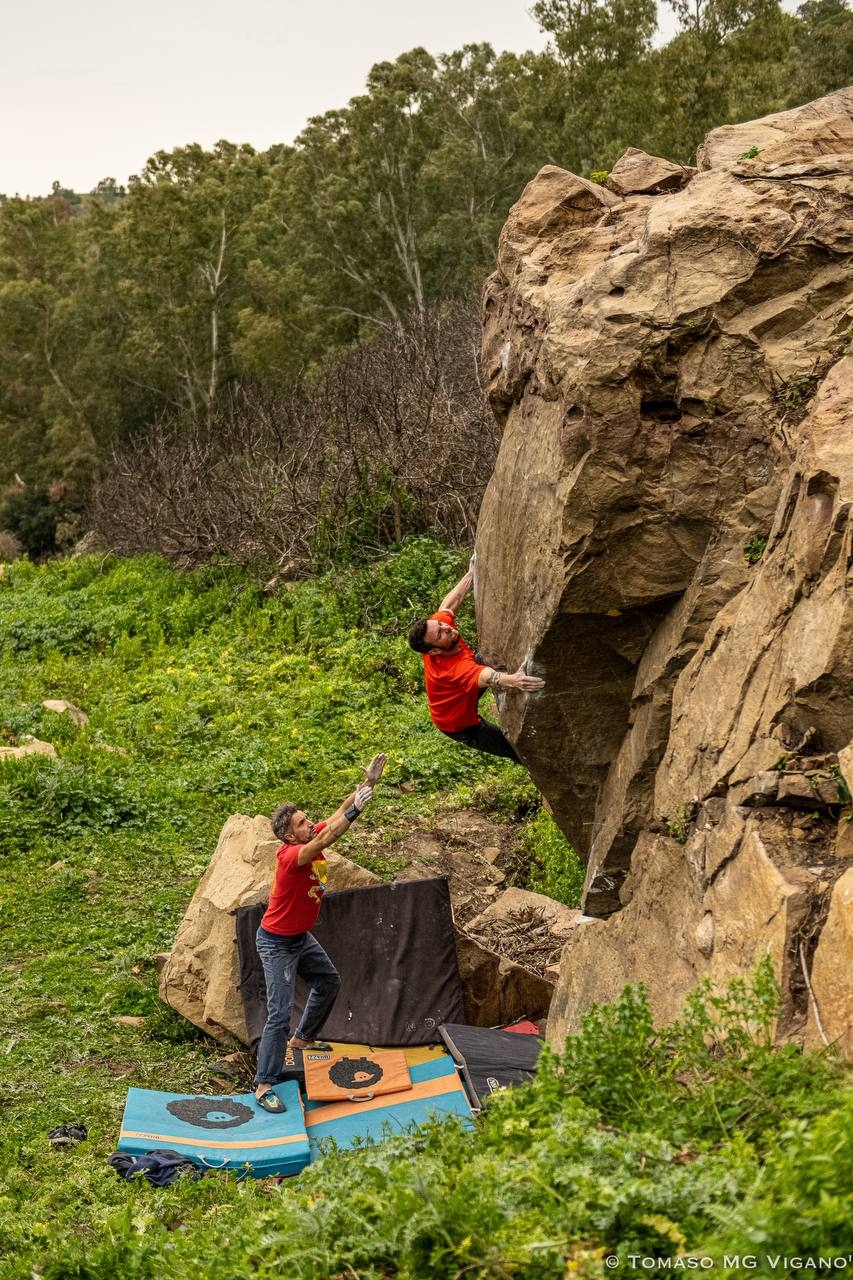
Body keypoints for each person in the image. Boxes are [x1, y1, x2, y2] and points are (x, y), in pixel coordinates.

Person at [253, 753, 387, 1114]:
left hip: (299, 936)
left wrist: (368, 784)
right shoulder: (291, 856)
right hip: (277, 943)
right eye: (302, 822)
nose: (309, 823)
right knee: (279, 1012)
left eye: (308, 818)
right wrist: (355, 813)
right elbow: (329, 835)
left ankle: (302, 1040)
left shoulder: (309, 835)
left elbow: (337, 814)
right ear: (288, 835)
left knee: (328, 981)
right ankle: (264, 1083)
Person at [407, 558, 544, 762]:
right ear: (434, 652)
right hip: (458, 722)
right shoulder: (454, 670)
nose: (446, 628)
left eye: (439, 624)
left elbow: (448, 605)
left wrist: (470, 574)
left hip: (462, 688)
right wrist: (515, 680)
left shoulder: (440, 627)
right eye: (440, 634)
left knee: (484, 657)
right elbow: (489, 677)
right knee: (516, 751)